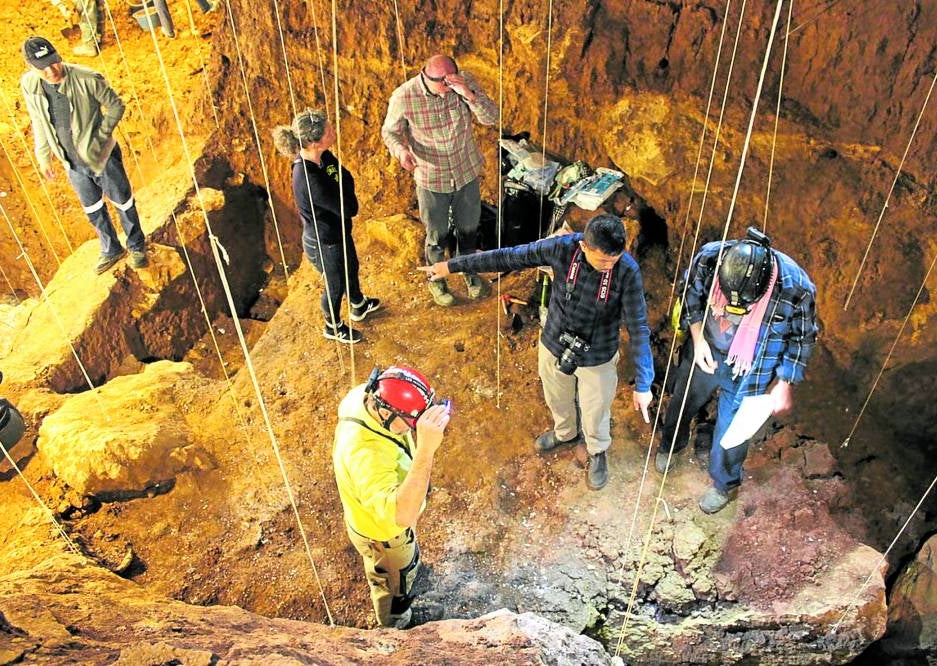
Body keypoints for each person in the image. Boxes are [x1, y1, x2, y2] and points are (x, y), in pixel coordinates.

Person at [423, 213, 655, 491]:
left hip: (599, 353)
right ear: (584, 246)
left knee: (596, 410)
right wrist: (452, 266)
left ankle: (596, 450)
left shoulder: (627, 271)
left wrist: (643, 383)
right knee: (556, 395)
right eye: (603, 260)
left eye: (613, 260)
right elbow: (508, 257)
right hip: (555, 341)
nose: (609, 267)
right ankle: (565, 433)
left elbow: (639, 327)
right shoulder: (562, 248)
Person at [666, 226, 817, 514]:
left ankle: (724, 483)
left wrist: (785, 381)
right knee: (683, 398)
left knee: (733, 430)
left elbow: (803, 336)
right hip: (707, 348)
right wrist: (698, 341)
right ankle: (671, 445)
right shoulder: (711, 258)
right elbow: (691, 296)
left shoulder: (795, 286)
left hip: (753, 365)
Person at [333, 366, 449, 628]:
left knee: (399, 569)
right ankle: (397, 621)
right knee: (393, 584)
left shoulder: (365, 398)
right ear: (385, 412)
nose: (415, 427)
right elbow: (403, 515)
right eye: (411, 422)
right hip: (384, 534)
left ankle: (401, 580)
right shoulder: (366, 456)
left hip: (376, 520)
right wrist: (426, 450)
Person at [20, 36, 148, 274]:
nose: (51, 70)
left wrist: (100, 138)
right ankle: (111, 249)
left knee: (122, 200)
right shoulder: (30, 85)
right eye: (43, 67)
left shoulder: (86, 78)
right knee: (93, 207)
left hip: (102, 156)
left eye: (54, 62)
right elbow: (38, 120)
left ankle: (136, 245)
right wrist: (43, 156)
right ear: (30, 67)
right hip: (70, 160)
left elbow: (116, 106)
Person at [381, 54, 499, 306]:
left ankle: (468, 270)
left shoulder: (463, 83)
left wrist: (468, 94)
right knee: (437, 235)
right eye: (443, 84)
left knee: (468, 230)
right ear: (426, 77)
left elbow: (490, 117)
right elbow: (390, 132)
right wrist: (401, 151)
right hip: (431, 176)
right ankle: (436, 279)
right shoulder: (404, 96)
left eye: (452, 81)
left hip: (465, 171)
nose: (448, 89)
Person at [272, 108, 381, 343]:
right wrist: (342, 188)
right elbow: (350, 207)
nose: (333, 130)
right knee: (335, 284)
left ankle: (358, 304)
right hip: (324, 241)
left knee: (351, 266)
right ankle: (332, 326)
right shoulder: (309, 179)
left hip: (338, 230)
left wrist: (342, 187)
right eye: (328, 129)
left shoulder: (324, 157)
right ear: (313, 141)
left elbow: (347, 177)